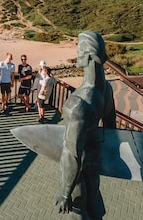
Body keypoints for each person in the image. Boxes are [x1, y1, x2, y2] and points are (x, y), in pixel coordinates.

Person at [55, 31, 116, 219]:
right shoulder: (106, 90)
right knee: (95, 204)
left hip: (77, 173)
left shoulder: (77, 105)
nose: (77, 54)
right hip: (94, 163)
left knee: (77, 209)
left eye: (78, 49)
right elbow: (110, 130)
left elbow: (71, 155)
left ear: (88, 55)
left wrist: (65, 192)